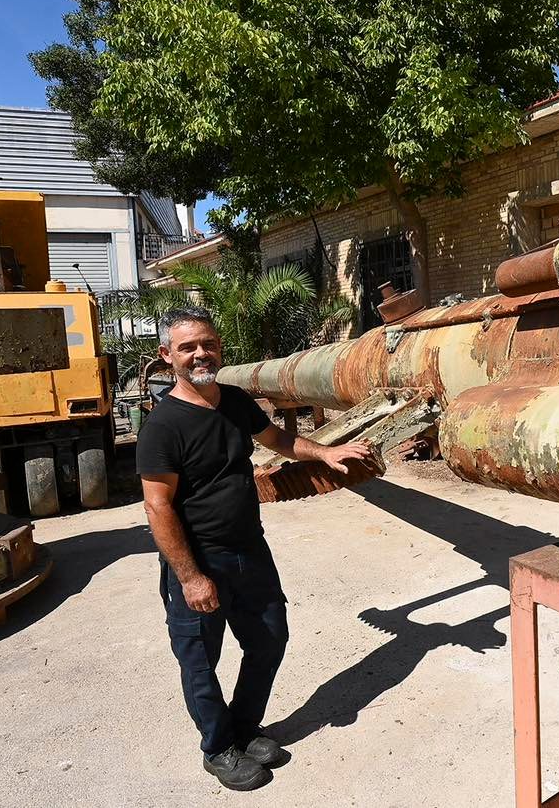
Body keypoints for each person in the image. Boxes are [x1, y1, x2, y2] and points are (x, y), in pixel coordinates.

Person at [136, 305, 378, 791]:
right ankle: (218, 747)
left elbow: (277, 439)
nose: (200, 353)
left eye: (208, 343)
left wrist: (326, 451)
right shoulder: (163, 426)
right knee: (200, 659)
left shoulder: (233, 400)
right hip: (201, 558)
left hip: (250, 549)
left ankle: (245, 729)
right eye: (187, 347)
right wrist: (189, 576)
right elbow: (158, 506)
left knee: (269, 639)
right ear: (167, 357)